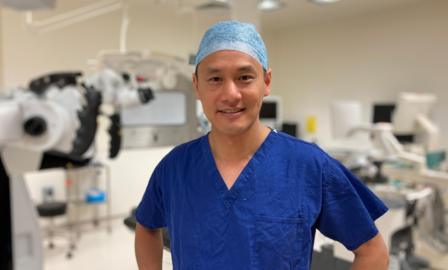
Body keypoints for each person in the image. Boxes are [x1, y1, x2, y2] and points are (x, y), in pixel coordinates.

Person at [135, 20, 389, 270]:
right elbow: (146, 226)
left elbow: (372, 252)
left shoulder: (308, 166)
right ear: (197, 86)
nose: (231, 94)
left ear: (266, 82)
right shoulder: (175, 167)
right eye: (215, 79)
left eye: (244, 77)